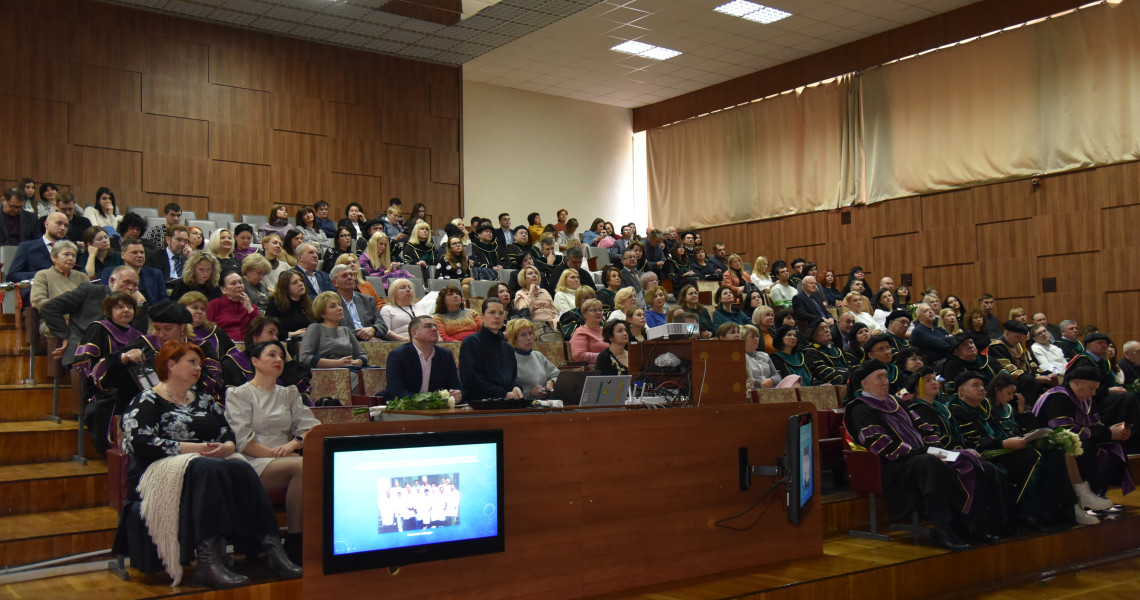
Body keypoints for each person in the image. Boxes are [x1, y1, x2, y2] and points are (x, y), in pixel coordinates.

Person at [117, 340, 301, 589]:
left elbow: (226, 433)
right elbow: (140, 441)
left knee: (239, 466)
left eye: (200, 364)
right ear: (171, 365)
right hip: (159, 466)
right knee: (210, 468)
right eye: (191, 362)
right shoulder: (148, 399)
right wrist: (195, 449)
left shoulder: (203, 400)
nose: (198, 368)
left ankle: (272, 549)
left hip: (204, 462)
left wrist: (226, 447)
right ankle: (208, 562)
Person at [843, 360, 984, 551]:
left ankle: (971, 524)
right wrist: (922, 452)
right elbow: (880, 445)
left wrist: (934, 448)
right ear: (864, 384)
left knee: (968, 458)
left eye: (885, 376)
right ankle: (942, 529)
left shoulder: (895, 401)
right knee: (929, 463)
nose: (886, 381)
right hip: (895, 466)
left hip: (921, 456)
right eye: (879, 377)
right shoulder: (859, 409)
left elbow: (923, 427)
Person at [224, 340, 319, 563]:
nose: (278, 360)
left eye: (281, 356)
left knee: (309, 464)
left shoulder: (289, 393)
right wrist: (280, 455)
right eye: (272, 355)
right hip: (250, 459)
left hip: (284, 457)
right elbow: (243, 441)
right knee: (302, 465)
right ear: (255, 362)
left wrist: (292, 444)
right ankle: (296, 541)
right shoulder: (239, 394)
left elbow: (312, 428)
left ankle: (315, 538)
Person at [948, 371, 1078, 531]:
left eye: (982, 385)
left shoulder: (983, 407)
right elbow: (972, 442)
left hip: (1002, 448)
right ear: (961, 391)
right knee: (1035, 456)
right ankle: (1025, 512)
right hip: (985, 454)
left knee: (1054, 453)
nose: (982, 389)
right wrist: (1003, 443)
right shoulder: (957, 410)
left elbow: (1001, 431)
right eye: (975, 385)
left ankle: (1058, 510)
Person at [1034, 364, 1134, 500]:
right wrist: (1107, 433)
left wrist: (1113, 432)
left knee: (1114, 445)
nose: (1093, 393)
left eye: (1095, 389)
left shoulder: (1085, 398)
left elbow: (1096, 425)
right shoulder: (1058, 397)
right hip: (1050, 444)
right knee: (1088, 448)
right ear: (1077, 383)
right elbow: (1064, 431)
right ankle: (1087, 497)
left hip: (1079, 439)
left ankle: (1100, 494)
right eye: (1091, 388)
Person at [42, 266, 149, 372]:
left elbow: (137, 335)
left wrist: (140, 306)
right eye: (126, 282)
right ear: (112, 281)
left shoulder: (134, 305)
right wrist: (64, 336)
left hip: (119, 357)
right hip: (83, 355)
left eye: (134, 285)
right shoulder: (89, 291)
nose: (130, 288)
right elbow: (50, 308)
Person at [221, 317, 311, 394]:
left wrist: (283, 353)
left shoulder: (278, 362)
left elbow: (300, 389)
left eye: (277, 335)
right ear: (254, 337)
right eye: (270, 333)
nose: (275, 338)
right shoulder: (232, 363)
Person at [383, 315, 462, 403]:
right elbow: (397, 392)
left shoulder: (446, 355)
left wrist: (456, 394)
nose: (434, 329)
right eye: (428, 326)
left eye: (435, 326)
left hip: (436, 409)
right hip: (404, 408)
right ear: (414, 333)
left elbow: (455, 386)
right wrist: (434, 398)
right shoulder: (398, 355)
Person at [298, 292, 368, 389]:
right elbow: (304, 358)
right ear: (322, 314)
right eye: (333, 306)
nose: (339, 308)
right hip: (329, 374)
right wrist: (337, 363)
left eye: (339, 305)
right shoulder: (315, 328)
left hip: (351, 369)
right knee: (358, 379)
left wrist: (358, 361)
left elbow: (363, 355)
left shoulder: (346, 330)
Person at [459, 299, 523, 401]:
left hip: (505, 401)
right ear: (482, 317)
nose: (497, 316)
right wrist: (503, 394)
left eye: (500, 313)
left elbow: (510, 379)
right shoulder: (471, 342)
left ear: (505, 316)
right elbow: (472, 381)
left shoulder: (508, 348)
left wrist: (516, 387)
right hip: (479, 404)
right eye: (491, 312)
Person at [30, 241, 89, 319]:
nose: (71, 258)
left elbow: (90, 301)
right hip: (54, 319)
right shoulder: (43, 275)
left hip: (80, 320)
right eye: (66, 255)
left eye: (73, 255)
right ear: (53, 257)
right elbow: (38, 301)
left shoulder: (82, 277)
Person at [330, 264, 387, 342]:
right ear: (335, 282)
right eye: (344, 276)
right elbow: (334, 329)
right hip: (346, 344)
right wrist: (363, 335)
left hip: (373, 342)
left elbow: (382, 325)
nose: (350, 278)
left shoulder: (368, 300)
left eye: (351, 275)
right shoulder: (331, 303)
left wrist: (373, 329)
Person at [7, 211, 68, 283]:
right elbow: (12, 275)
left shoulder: (69, 249)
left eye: (66, 225)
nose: (63, 228)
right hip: (37, 288)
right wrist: (40, 274)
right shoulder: (26, 247)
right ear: (46, 224)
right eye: (59, 223)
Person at [506, 319, 560, 398]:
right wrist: (529, 393)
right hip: (524, 405)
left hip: (546, 401)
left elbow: (557, 374)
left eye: (530, 333)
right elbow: (507, 392)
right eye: (523, 335)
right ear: (514, 339)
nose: (529, 338)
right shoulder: (509, 359)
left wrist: (552, 382)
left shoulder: (538, 355)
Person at [106, 238, 168, 304]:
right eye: (134, 252)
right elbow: (106, 296)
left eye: (142, 252)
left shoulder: (155, 273)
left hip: (152, 310)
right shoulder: (110, 272)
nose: (139, 256)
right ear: (123, 255)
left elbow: (164, 298)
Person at [206, 271, 259, 341]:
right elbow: (207, 329)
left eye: (240, 282)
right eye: (233, 283)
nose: (239, 286)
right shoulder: (213, 305)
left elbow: (259, 329)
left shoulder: (251, 307)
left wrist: (250, 309)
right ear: (223, 289)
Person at [266, 271, 315, 341]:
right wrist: (290, 334)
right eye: (295, 283)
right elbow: (269, 330)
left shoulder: (308, 302)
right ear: (286, 288)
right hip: (287, 343)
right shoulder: (276, 303)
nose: (300, 284)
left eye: (301, 280)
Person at [802, 317, 848, 385]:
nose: (827, 330)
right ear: (813, 335)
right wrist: (850, 375)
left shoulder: (837, 350)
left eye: (827, 327)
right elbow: (824, 374)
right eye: (821, 329)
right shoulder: (810, 352)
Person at [570, 299, 607, 367]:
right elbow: (578, 355)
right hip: (594, 370)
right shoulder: (581, 332)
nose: (598, 313)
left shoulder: (606, 330)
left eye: (600, 310)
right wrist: (605, 357)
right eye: (594, 310)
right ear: (584, 314)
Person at [742, 325, 780, 389]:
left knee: (793, 378)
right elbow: (745, 380)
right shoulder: (741, 358)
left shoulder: (764, 355)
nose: (756, 339)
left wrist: (771, 380)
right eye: (752, 337)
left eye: (757, 336)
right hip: (753, 389)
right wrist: (762, 383)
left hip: (771, 388)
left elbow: (777, 375)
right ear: (743, 339)